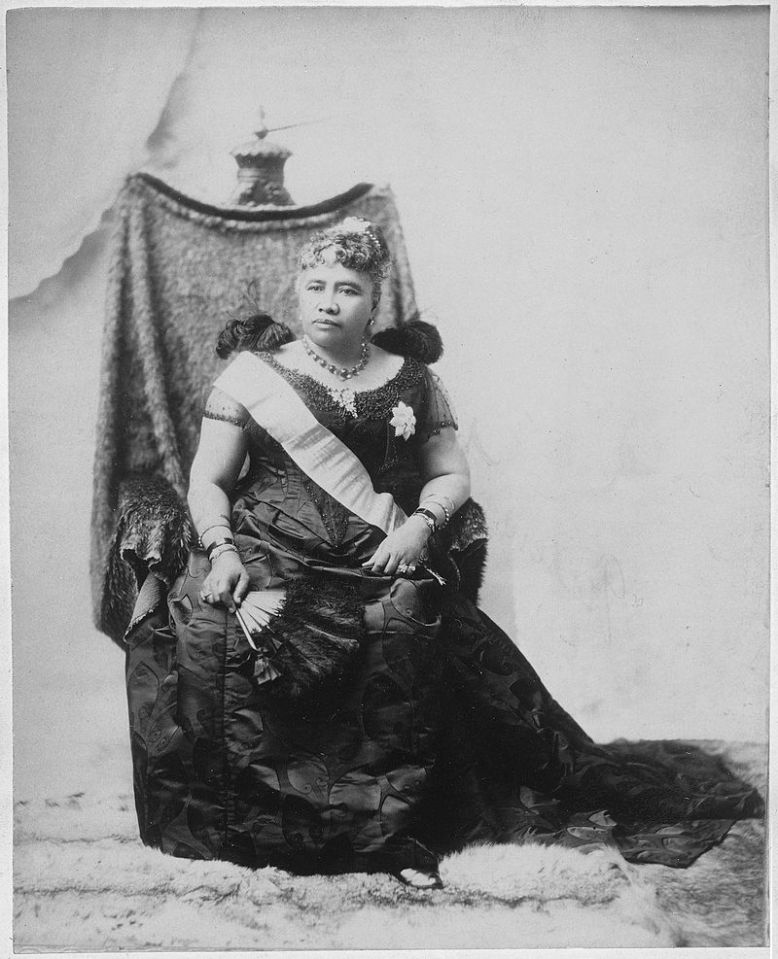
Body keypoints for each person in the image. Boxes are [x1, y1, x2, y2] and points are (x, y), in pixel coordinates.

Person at [125, 217, 762, 890]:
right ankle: (248, 826)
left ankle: (389, 827)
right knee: (213, 627)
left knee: (402, 622)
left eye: (347, 289)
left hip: (375, 553)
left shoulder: (410, 378)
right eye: (315, 286)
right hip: (264, 549)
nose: (327, 302)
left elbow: (451, 472)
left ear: (375, 300)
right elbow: (209, 480)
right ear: (298, 289)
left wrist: (421, 527)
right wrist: (222, 549)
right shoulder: (254, 375)